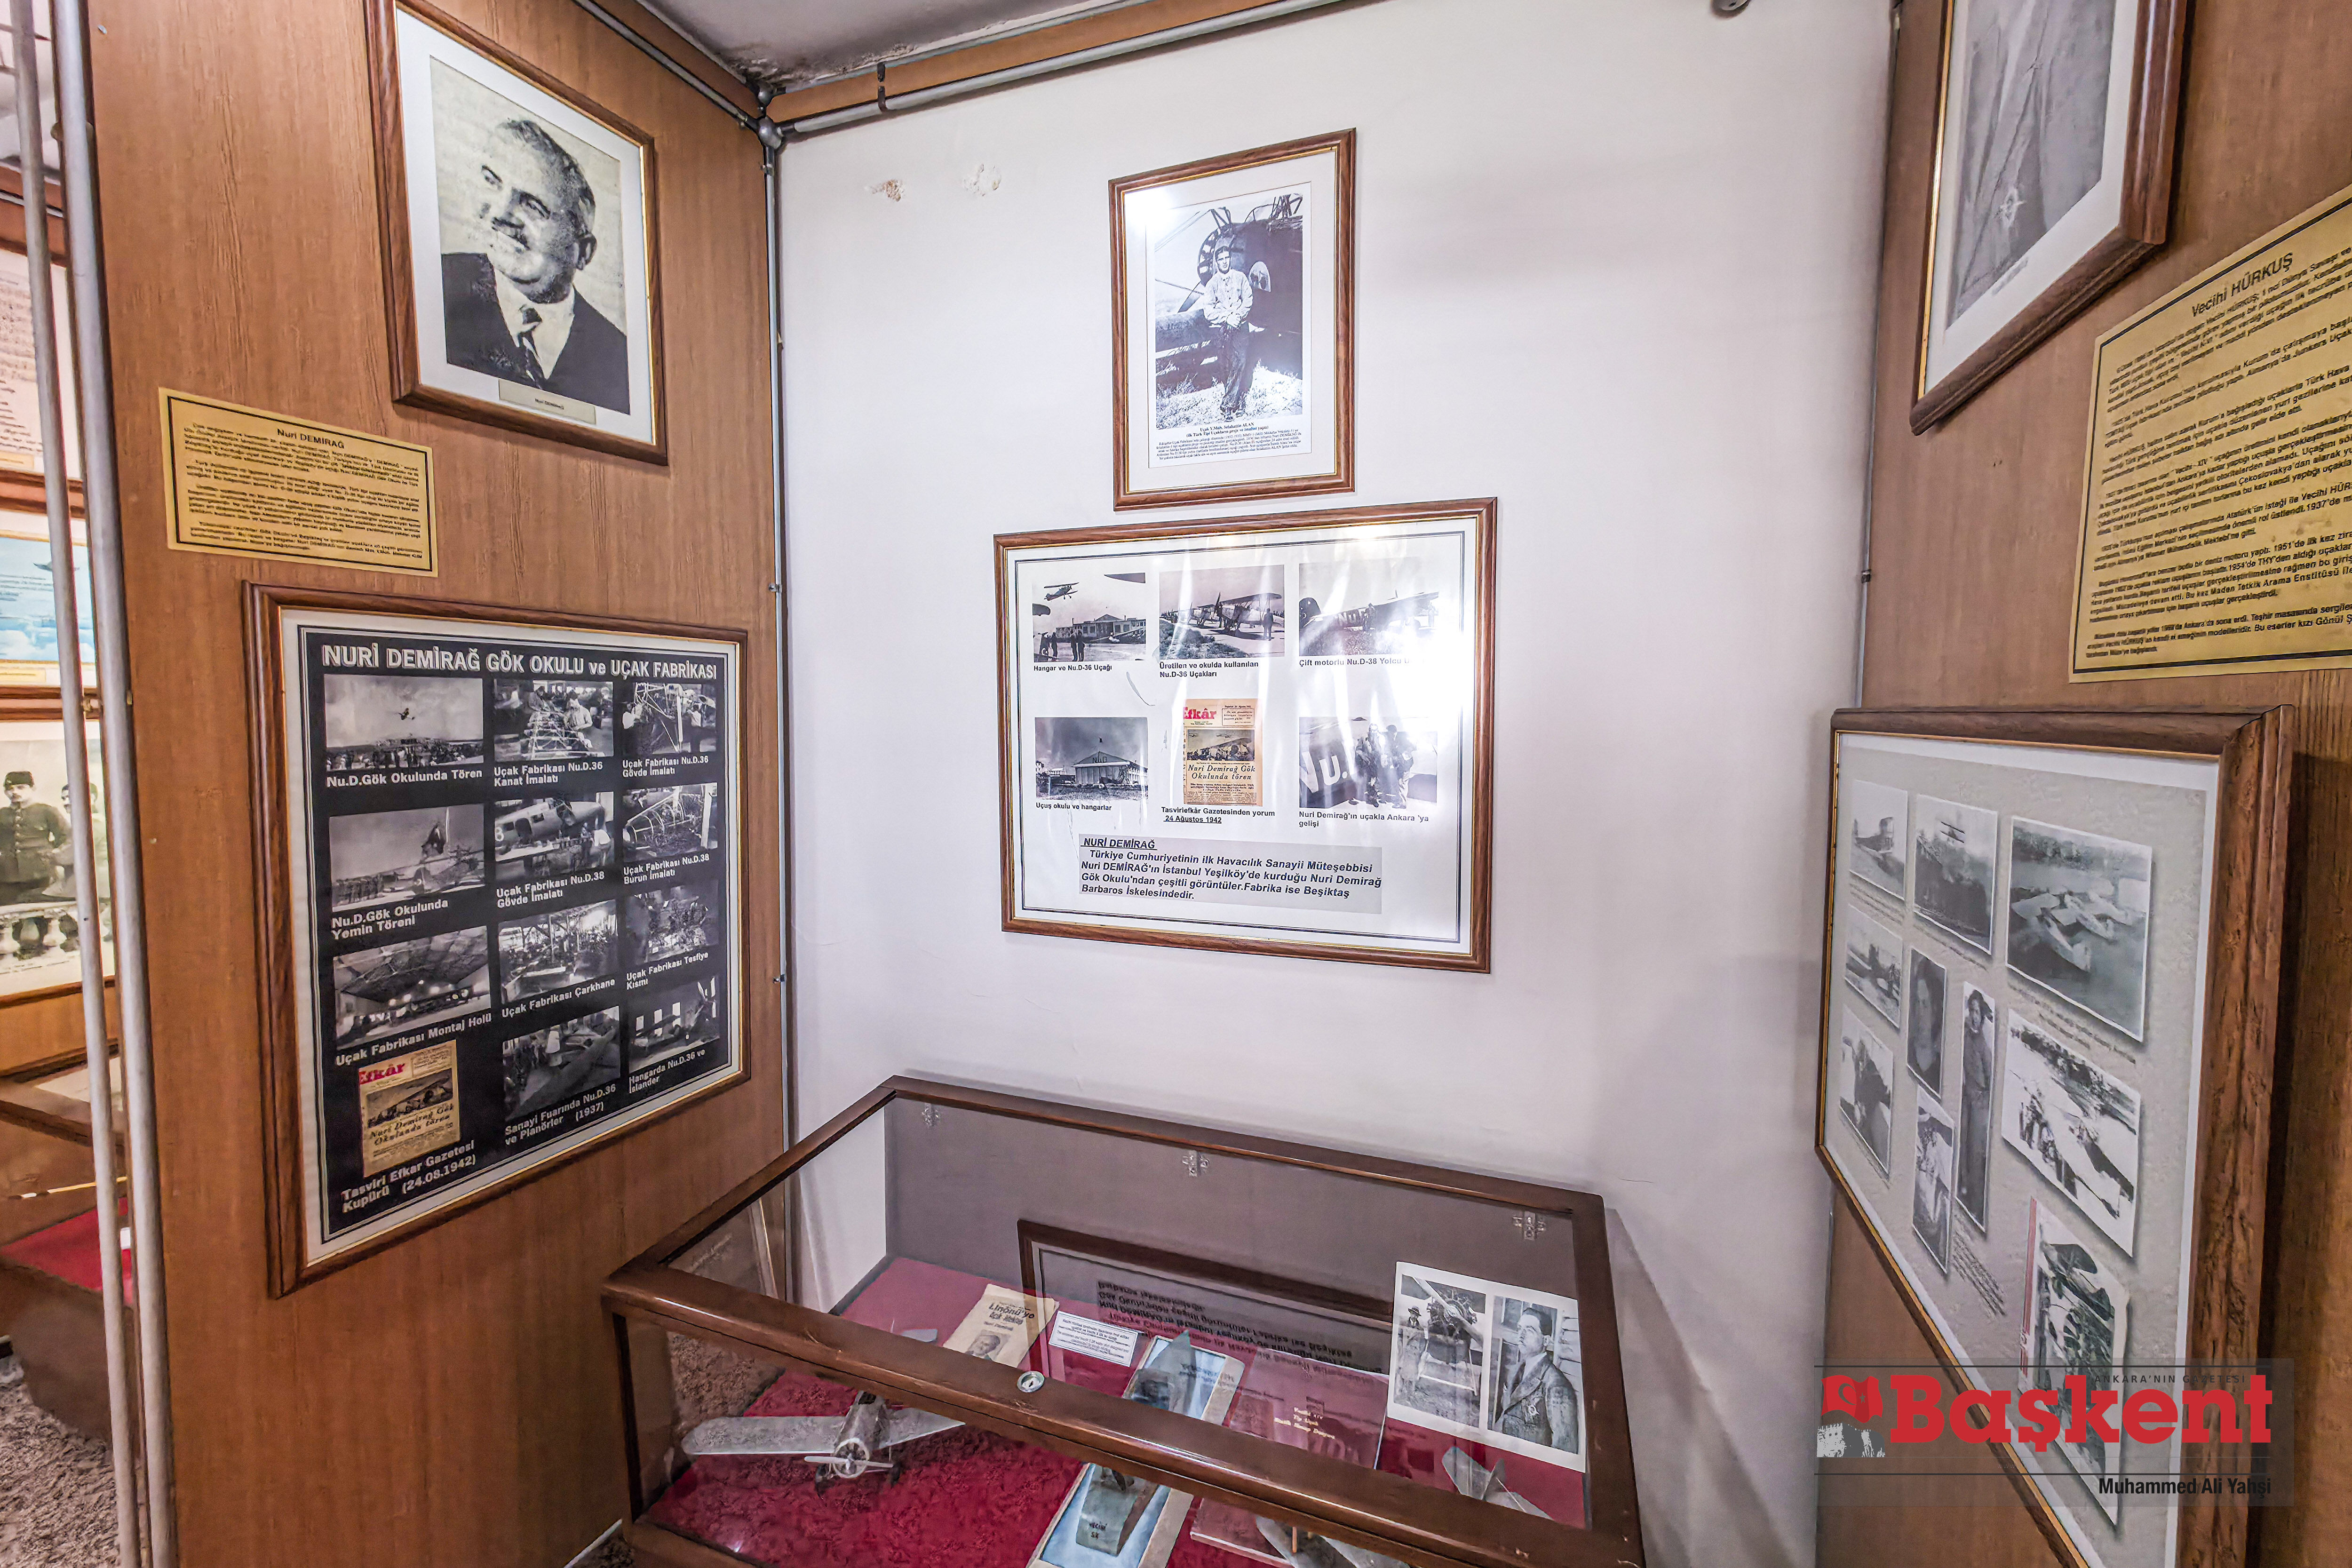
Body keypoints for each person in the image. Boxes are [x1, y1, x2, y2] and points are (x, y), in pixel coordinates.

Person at [442, 119, 629, 412]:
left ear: (582, 252)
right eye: (493, 182)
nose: (501, 214)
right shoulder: (439, 285)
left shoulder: (617, 357)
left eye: (533, 206)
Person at [1492, 1310, 1579, 1453]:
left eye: (1530, 1330)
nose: (1521, 1335)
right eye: (1520, 1329)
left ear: (1546, 1341)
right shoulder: (1516, 1371)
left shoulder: (1556, 1384)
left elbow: (1564, 1447)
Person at [1200, 239, 1256, 418]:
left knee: (1240, 362)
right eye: (1221, 259)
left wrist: (1237, 316)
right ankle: (1235, 400)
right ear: (1216, 262)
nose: (1225, 262)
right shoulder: (1212, 284)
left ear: (1230, 259)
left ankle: (1228, 407)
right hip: (1222, 329)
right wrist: (1227, 318)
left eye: (1227, 258)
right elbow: (1209, 311)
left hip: (1240, 326)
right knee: (1225, 366)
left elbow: (1248, 300)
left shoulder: (1241, 278)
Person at [0, 770, 69, 906]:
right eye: (10, 789)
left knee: (42, 913)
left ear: (33, 788)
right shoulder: (2, 815)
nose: (14, 792)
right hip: (7, 877)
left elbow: (66, 838)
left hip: (41, 874)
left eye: (20, 788)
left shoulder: (47, 811)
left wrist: (49, 854)